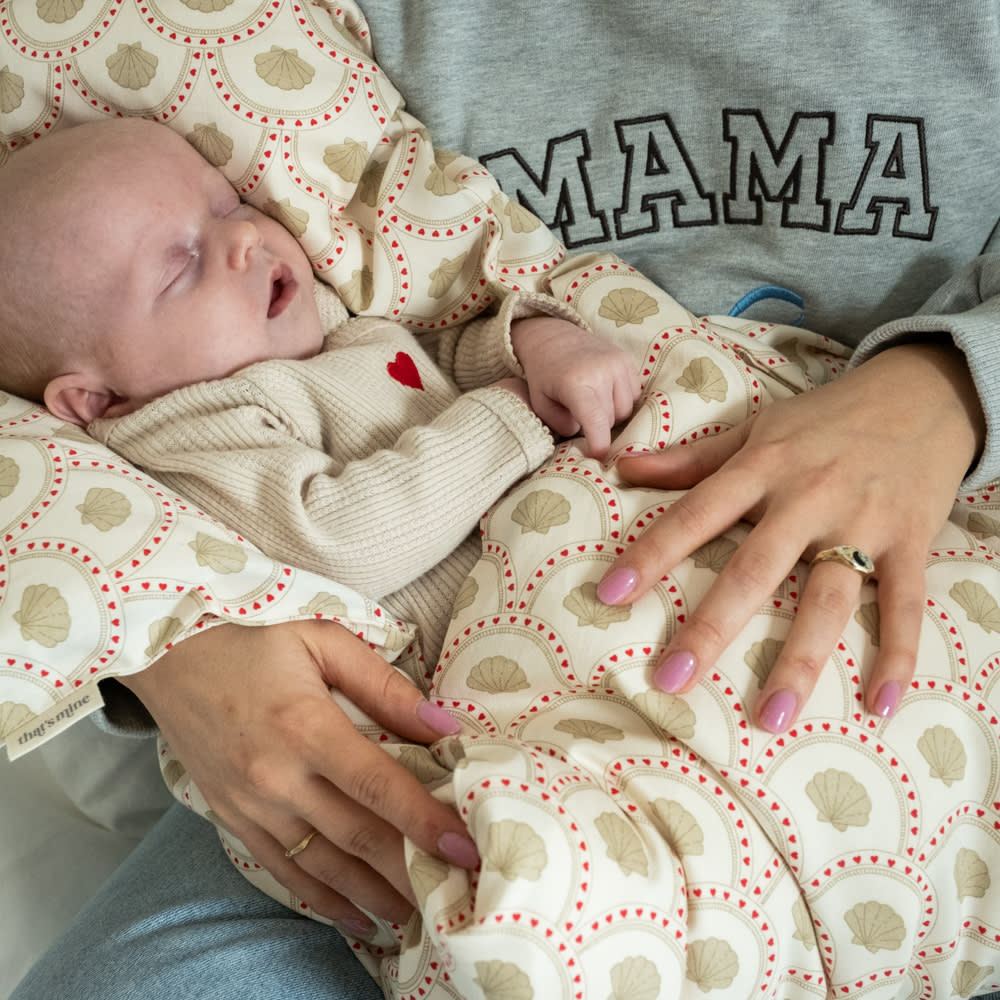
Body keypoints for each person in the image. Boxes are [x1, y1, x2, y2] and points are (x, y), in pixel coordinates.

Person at [10, 3, 1000, 999]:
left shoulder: (328, 329)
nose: (244, 241)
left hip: (807, 501)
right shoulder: (195, 425)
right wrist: (177, 647)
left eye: (232, 205)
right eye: (180, 265)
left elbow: (441, 341)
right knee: (519, 883)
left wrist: (539, 344)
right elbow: (339, 533)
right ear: (94, 401)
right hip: (465, 706)